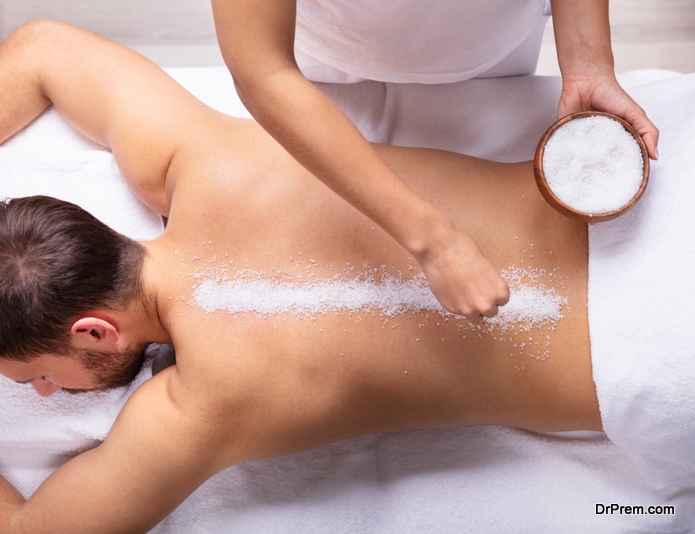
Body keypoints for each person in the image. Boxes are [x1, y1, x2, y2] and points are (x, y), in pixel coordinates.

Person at [0, 20, 670, 532]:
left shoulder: (194, 414)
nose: (43, 394)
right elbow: (37, 48)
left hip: (655, 368)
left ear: (93, 328)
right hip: (646, 203)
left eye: (36, 374)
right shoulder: (196, 158)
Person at [210, 0, 660, 322]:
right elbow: (263, 70)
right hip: (334, 52)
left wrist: (588, 63)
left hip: (493, 43)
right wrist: (434, 242)